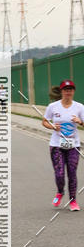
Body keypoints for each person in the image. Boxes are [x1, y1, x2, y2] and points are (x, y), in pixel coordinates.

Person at [42, 79, 84, 210]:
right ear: (61, 91)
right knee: (59, 174)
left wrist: (80, 122)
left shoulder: (79, 107)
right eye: (66, 90)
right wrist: (52, 126)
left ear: (73, 91)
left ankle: (73, 201)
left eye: (70, 89)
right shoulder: (53, 106)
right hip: (56, 145)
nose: (68, 92)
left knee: (72, 173)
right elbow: (44, 121)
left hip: (74, 145)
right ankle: (60, 191)